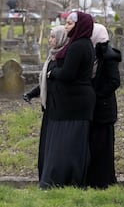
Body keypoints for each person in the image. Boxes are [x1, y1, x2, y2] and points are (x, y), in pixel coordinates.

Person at [39, 11, 96, 189]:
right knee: (67, 143)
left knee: (68, 144)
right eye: (66, 23)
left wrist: (52, 72)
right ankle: (64, 180)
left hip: (75, 104)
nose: (66, 26)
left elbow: (68, 74)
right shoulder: (79, 44)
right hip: (71, 103)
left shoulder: (79, 46)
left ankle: (62, 179)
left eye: (70, 24)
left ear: (80, 26)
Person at [23, 25, 69, 180]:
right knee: (45, 144)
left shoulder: (63, 58)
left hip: (59, 108)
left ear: (62, 38)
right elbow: (45, 81)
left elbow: (57, 80)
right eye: (50, 37)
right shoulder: (51, 57)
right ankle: (44, 174)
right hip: (49, 108)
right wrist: (31, 94)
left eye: (53, 37)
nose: (50, 40)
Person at [87, 23, 121, 189]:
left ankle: (104, 181)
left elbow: (114, 81)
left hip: (104, 108)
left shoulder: (108, 55)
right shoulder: (93, 53)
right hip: (94, 107)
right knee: (93, 144)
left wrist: (96, 94)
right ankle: (94, 179)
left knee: (103, 146)